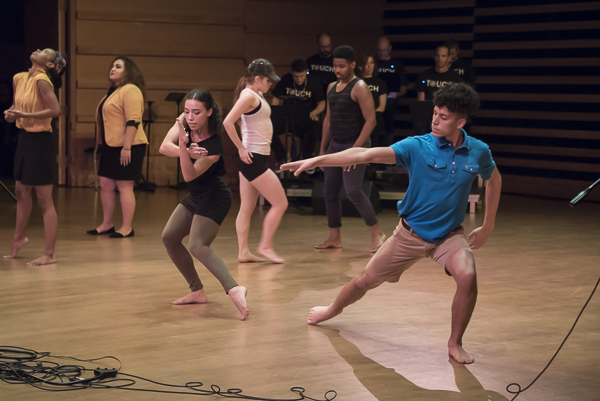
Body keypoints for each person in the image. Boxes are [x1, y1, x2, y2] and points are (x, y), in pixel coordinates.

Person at [282, 83, 502, 365]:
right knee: (365, 280)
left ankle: (454, 342)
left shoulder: (478, 151)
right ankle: (332, 309)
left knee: (468, 276)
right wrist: (318, 159)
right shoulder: (417, 146)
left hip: (449, 236)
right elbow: (363, 154)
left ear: (461, 122)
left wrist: (488, 225)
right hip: (409, 234)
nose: (435, 120)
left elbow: (494, 179)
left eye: (443, 117)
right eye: (434, 113)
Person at [159, 89, 249, 321]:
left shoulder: (214, 145)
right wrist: (186, 149)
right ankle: (197, 291)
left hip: (215, 196)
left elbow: (189, 175)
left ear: (209, 112)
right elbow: (163, 146)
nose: (189, 117)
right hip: (196, 195)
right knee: (169, 237)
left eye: (196, 112)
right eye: (187, 111)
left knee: (198, 245)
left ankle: (234, 287)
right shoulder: (184, 124)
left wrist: (183, 149)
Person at [317, 45, 386, 253]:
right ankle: (334, 237)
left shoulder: (360, 87)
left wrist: (354, 152)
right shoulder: (331, 87)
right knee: (329, 190)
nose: (337, 70)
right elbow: (328, 119)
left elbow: (371, 120)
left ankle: (377, 232)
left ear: (353, 65)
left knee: (354, 191)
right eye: (335, 66)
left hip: (356, 145)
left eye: (342, 66)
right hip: (335, 146)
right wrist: (322, 150)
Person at [3, 48, 66, 266]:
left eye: (45, 51)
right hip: (25, 139)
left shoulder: (42, 80)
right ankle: (18, 239)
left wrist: (23, 115)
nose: (38, 50)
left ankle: (49, 254)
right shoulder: (19, 78)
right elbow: (17, 107)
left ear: (50, 64)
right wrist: (12, 113)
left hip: (41, 142)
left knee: (44, 199)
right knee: (21, 191)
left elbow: (55, 110)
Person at [223, 59, 288, 264]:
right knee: (280, 203)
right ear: (257, 79)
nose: (271, 84)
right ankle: (265, 246)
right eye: (269, 80)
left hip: (253, 157)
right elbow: (228, 122)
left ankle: (243, 252)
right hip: (252, 159)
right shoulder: (248, 96)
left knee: (247, 206)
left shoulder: (256, 95)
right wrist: (241, 148)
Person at [86, 56, 148, 238]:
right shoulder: (114, 91)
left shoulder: (131, 90)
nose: (112, 69)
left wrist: (126, 147)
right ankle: (107, 224)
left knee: (124, 185)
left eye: (118, 66)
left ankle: (127, 227)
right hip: (111, 145)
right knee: (105, 183)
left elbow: (133, 120)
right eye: (112, 66)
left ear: (128, 72)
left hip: (129, 145)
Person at [271, 58, 325, 163]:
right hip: (287, 118)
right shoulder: (286, 79)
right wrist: (275, 114)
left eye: (301, 76)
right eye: (296, 76)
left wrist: (315, 112)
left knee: (316, 128)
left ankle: (306, 157)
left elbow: (322, 103)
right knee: (268, 129)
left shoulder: (314, 82)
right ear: (291, 73)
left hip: (307, 118)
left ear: (306, 72)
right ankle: (282, 156)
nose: (299, 80)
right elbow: (275, 98)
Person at [376, 37, 407, 146]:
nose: (382, 53)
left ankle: (387, 140)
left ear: (389, 49)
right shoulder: (373, 63)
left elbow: (403, 89)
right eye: (379, 50)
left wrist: (396, 94)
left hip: (390, 97)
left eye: (384, 50)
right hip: (374, 96)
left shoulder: (397, 64)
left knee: (387, 105)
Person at [357, 53, 387, 148]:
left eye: (372, 63)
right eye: (366, 63)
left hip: (374, 115)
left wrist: (370, 116)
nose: (369, 66)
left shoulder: (380, 83)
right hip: (358, 115)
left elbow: (382, 107)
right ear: (361, 66)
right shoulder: (356, 82)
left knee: (375, 121)